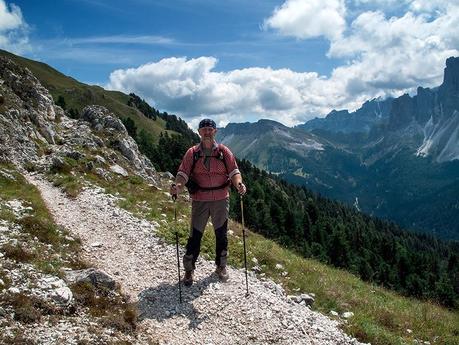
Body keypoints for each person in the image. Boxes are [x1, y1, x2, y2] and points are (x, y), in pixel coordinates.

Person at [170, 118, 246, 286]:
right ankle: (189, 270)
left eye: (210, 129)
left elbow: (234, 171)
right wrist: (178, 186)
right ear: (199, 132)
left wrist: (239, 184)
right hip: (200, 200)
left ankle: (221, 266)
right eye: (204, 129)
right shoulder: (192, 153)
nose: (207, 132)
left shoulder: (224, 151)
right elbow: (183, 173)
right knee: (195, 236)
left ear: (215, 131)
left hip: (220, 199)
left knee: (221, 235)